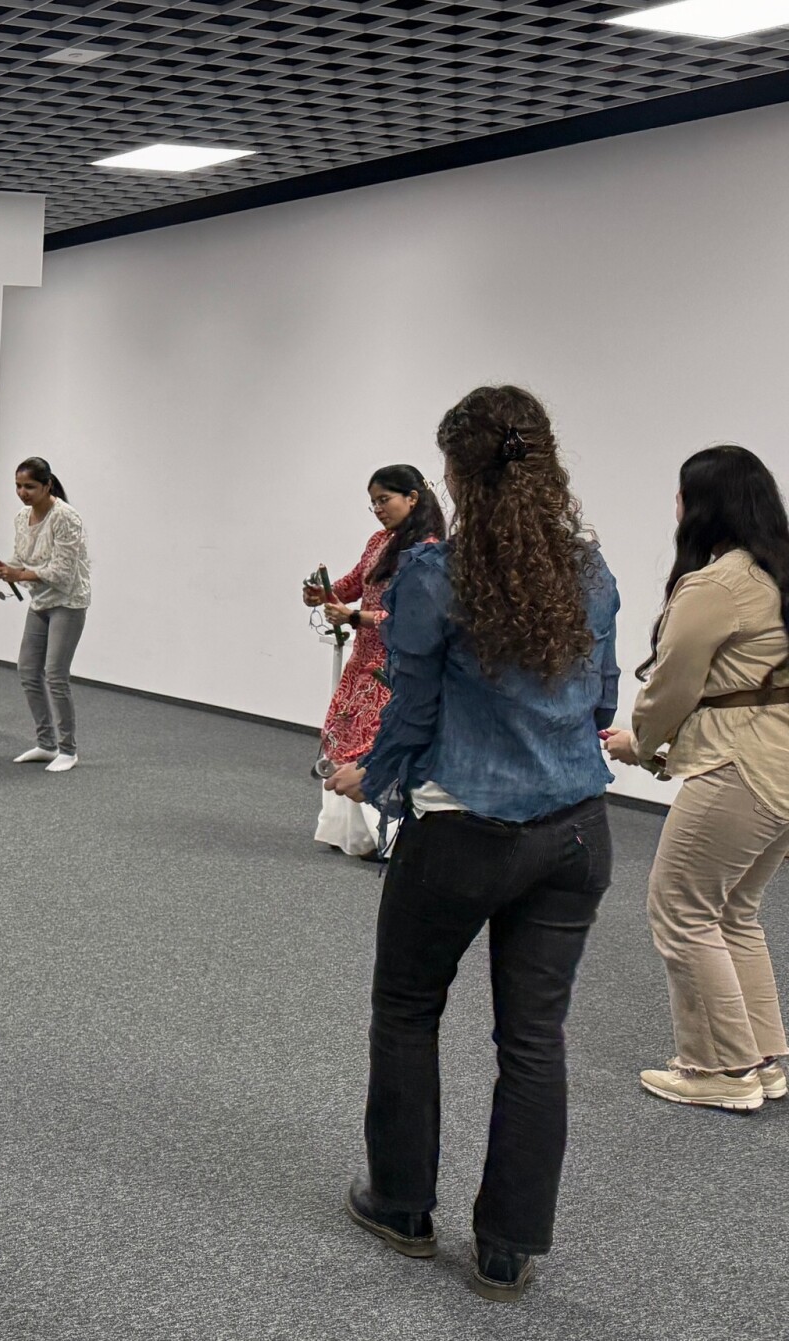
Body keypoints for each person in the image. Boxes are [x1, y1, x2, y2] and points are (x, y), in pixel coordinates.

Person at [326, 385, 619, 1302]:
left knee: (407, 1009)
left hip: (461, 832)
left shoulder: (435, 576)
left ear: (454, 475)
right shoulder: (589, 569)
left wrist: (372, 775)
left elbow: (412, 708)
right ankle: (506, 1250)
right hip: (576, 834)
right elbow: (602, 700)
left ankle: (402, 1206)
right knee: (534, 1040)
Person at [602, 445, 789, 1113]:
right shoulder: (776, 576)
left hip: (740, 767)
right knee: (733, 909)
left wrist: (642, 743)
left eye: (681, 495)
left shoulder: (717, 585)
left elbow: (673, 687)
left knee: (681, 907)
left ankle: (720, 1069)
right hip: (777, 765)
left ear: (701, 505)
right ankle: (762, 1060)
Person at [302, 465, 445, 857]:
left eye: (384, 500)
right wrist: (323, 594)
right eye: (373, 503)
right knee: (344, 737)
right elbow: (354, 584)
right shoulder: (379, 541)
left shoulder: (429, 551)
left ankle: (381, 836)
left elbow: (414, 618)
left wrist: (354, 618)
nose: (378, 509)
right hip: (362, 660)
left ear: (412, 498)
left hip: (395, 666)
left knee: (375, 742)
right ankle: (349, 834)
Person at [0, 456, 91, 772]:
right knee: (28, 671)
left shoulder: (66, 518)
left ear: (47, 485)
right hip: (41, 603)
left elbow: (61, 573)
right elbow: (18, 561)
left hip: (68, 602)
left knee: (55, 675)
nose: (22, 493)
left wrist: (20, 576)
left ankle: (68, 750)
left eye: (29, 486)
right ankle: (46, 744)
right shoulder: (22, 517)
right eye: (18, 486)